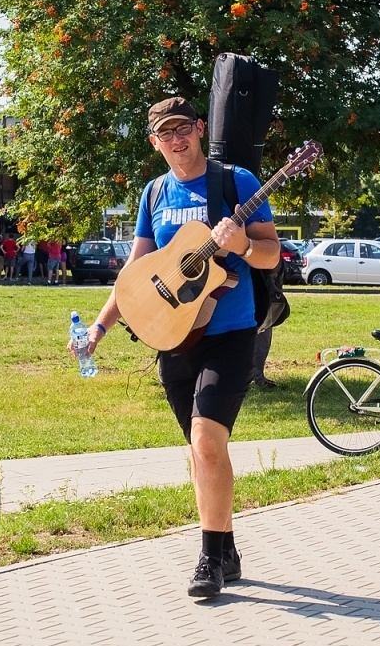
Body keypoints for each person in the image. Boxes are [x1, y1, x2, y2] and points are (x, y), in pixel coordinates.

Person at [78, 96, 279, 599]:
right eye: (165, 133)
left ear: (200, 128)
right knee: (201, 449)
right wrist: (100, 327)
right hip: (174, 336)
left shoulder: (236, 182)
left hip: (230, 333)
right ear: (155, 142)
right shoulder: (154, 193)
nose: (176, 140)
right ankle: (226, 547)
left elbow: (271, 252)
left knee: (207, 441)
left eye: (183, 129)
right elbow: (136, 273)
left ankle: (209, 559)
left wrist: (240, 246)